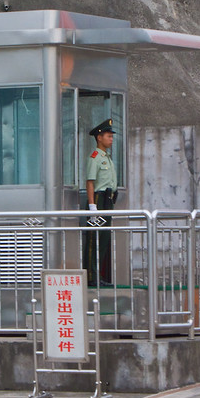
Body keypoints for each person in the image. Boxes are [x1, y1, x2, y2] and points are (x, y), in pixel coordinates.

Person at [85, 119, 118, 287]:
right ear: (99, 138)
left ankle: (98, 274)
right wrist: (92, 206)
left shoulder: (107, 158)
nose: (111, 139)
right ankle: (90, 276)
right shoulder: (95, 157)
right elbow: (90, 182)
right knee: (93, 240)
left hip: (108, 200)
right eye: (108, 136)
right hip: (98, 200)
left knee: (103, 238)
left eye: (112, 137)